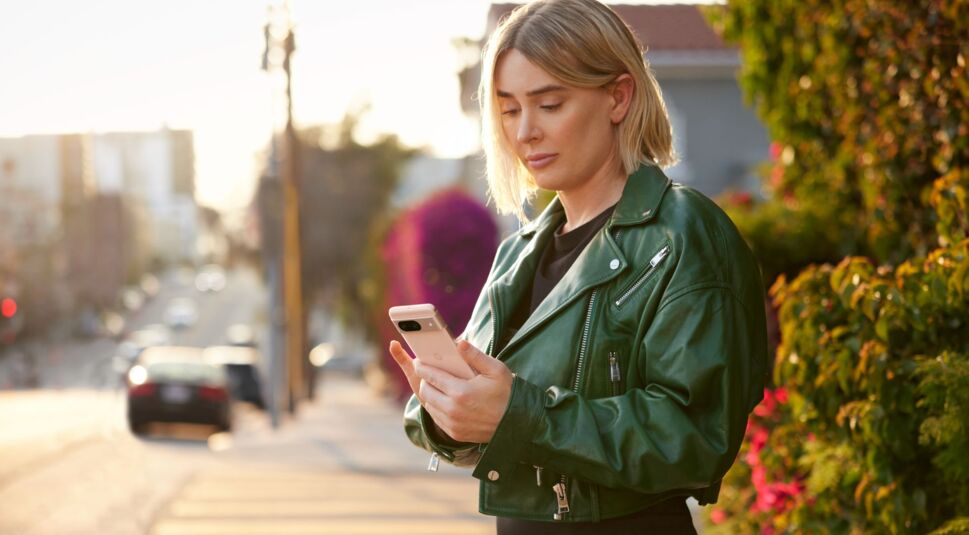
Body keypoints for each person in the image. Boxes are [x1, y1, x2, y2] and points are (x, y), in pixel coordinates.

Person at [389, 0, 768, 532]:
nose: (525, 132)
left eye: (548, 104)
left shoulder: (683, 233)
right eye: (509, 108)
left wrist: (520, 413)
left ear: (618, 96)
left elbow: (696, 435)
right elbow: (480, 418)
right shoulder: (518, 253)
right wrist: (446, 409)